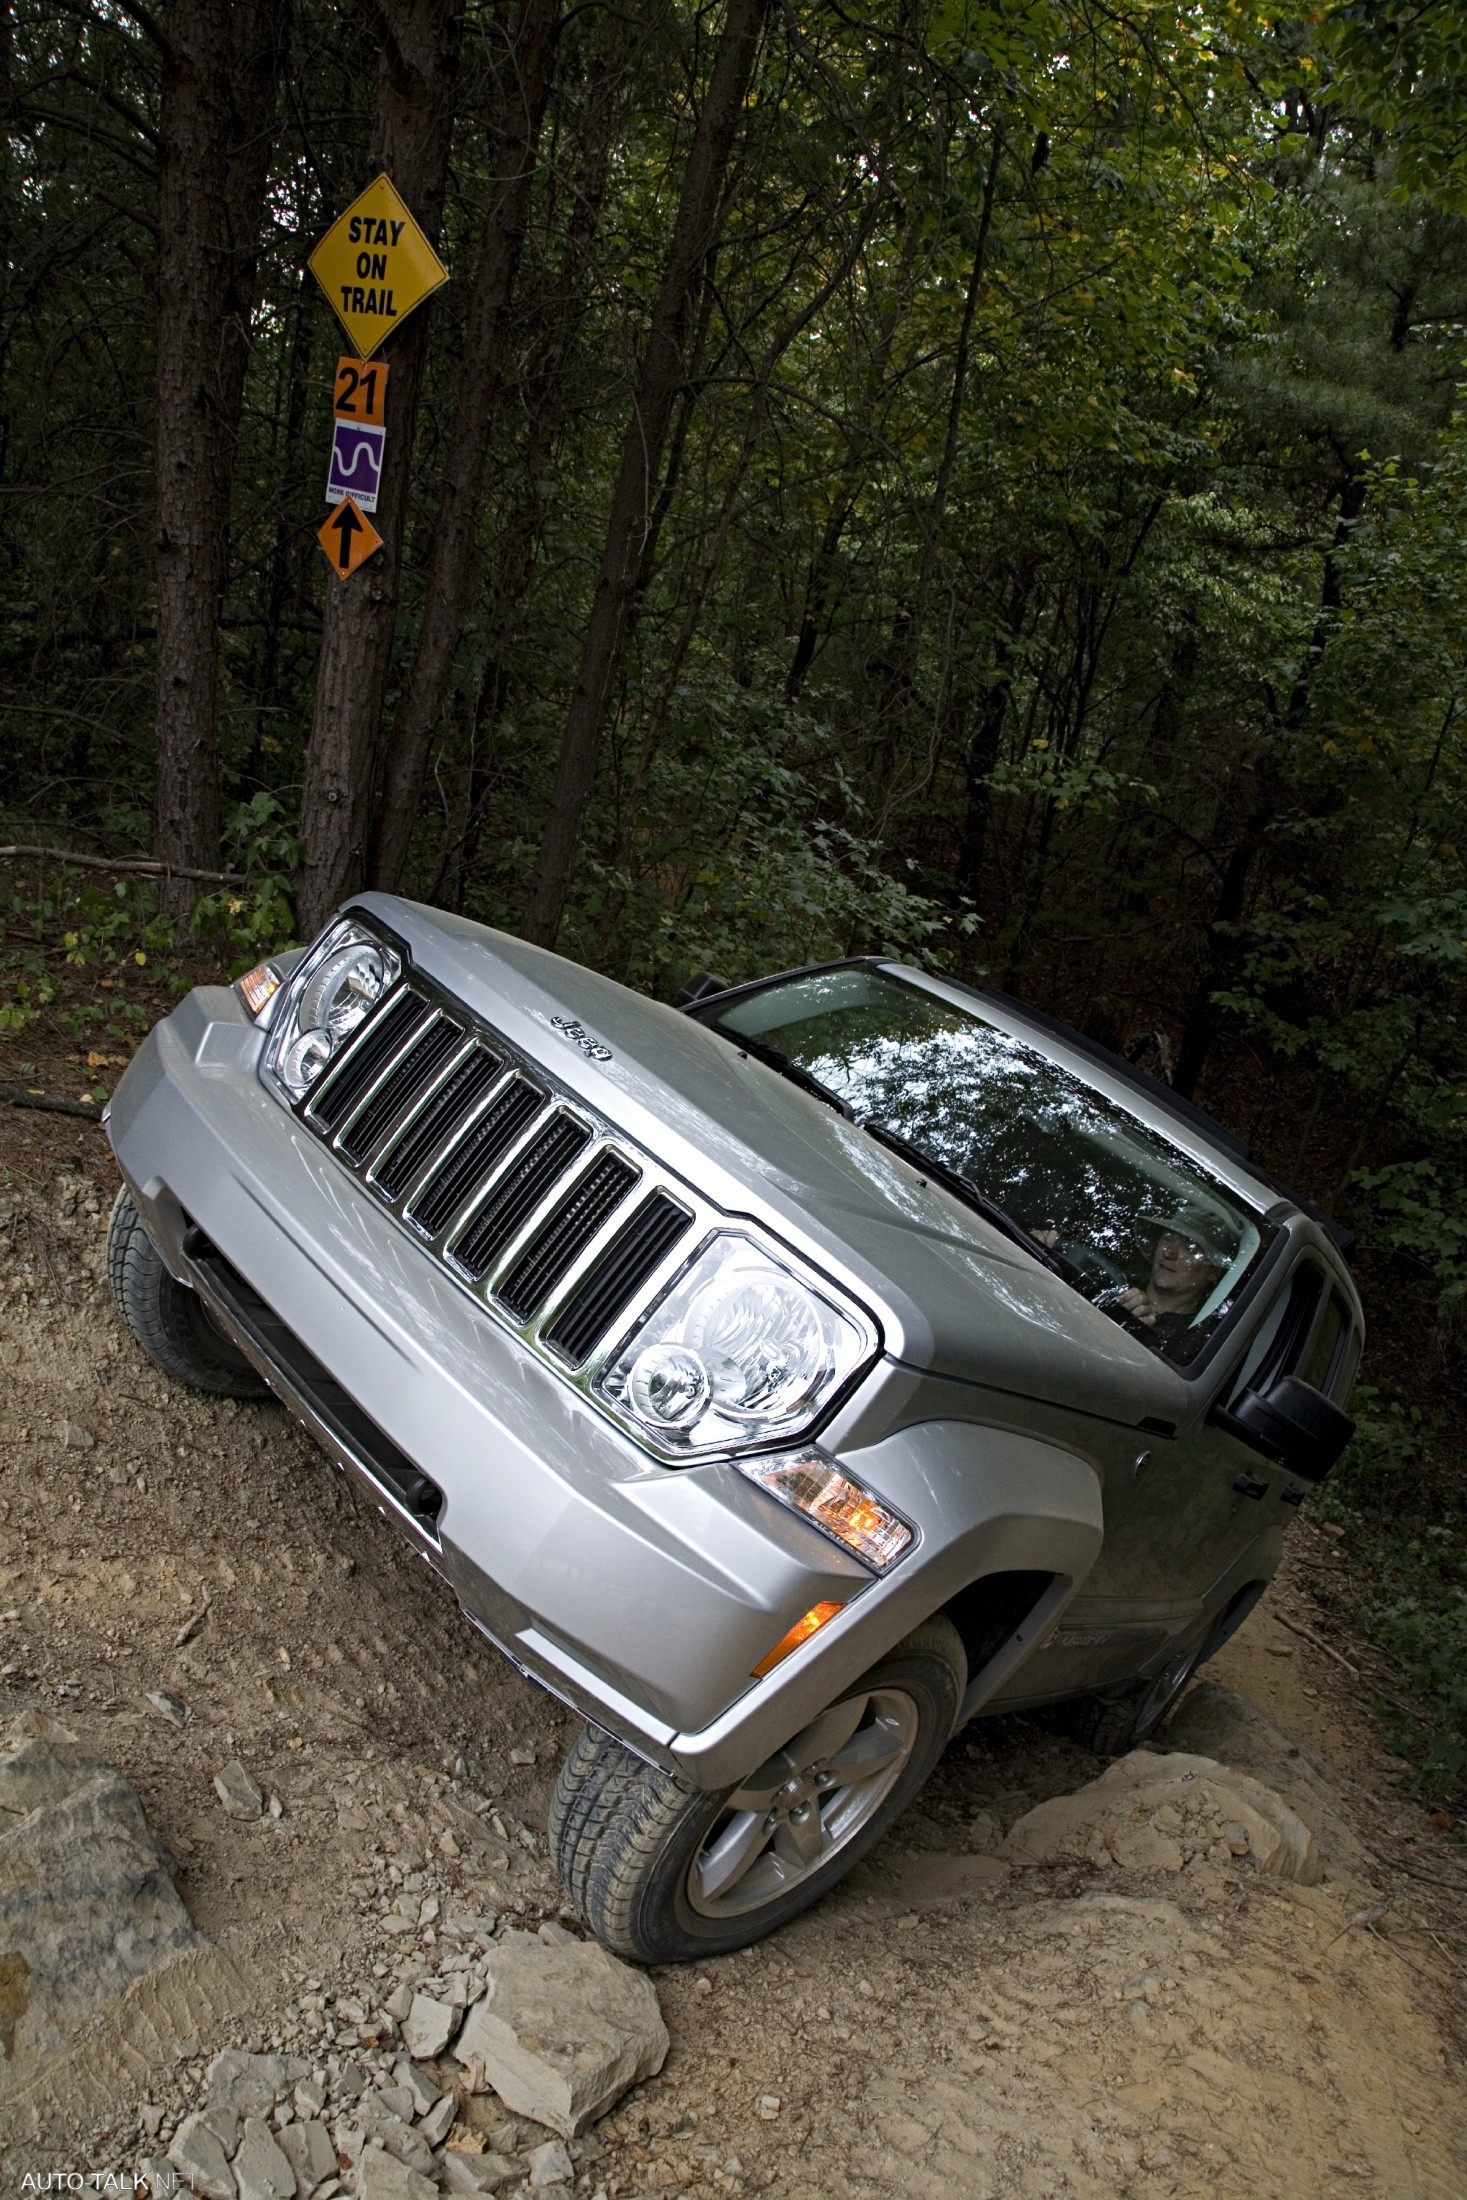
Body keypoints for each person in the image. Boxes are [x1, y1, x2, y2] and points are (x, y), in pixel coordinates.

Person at [1103, 1207, 1233, 1355]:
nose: (1169, 1253)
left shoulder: (1198, 1340)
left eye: (1189, 1249)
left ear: (1214, 1272)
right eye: (1168, 1239)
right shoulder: (1113, 1283)